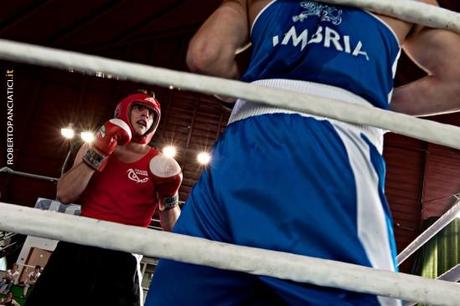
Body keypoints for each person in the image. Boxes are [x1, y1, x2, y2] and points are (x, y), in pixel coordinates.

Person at [146, 0, 460, 305]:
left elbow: (205, 56)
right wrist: (372, 105)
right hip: (330, 145)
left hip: (239, 149)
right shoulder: (408, 2)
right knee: (365, 294)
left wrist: (246, 98)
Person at [25, 93, 183, 306]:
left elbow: (172, 228)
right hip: (78, 246)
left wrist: (169, 194)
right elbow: (64, 194)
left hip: (121, 256)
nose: (146, 115)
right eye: (139, 108)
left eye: (153, 114)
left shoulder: (160, 164)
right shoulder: (94, 147)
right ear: (123, 110)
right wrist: (98, 153)